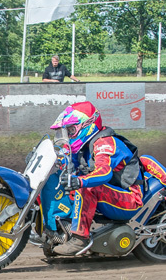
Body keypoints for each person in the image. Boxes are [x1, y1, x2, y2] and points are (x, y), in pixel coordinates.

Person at [49, 101, 144, 255]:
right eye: (66, 132)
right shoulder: (83, 147)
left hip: (130, 198)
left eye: (71, 130)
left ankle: (80, 239)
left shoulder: (104, 143)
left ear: (88, 125)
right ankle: (57, 229)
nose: (68, 136)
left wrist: (79, 181)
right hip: (113, 193)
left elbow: (104, 172)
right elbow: (66, 167)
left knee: (86, 186)